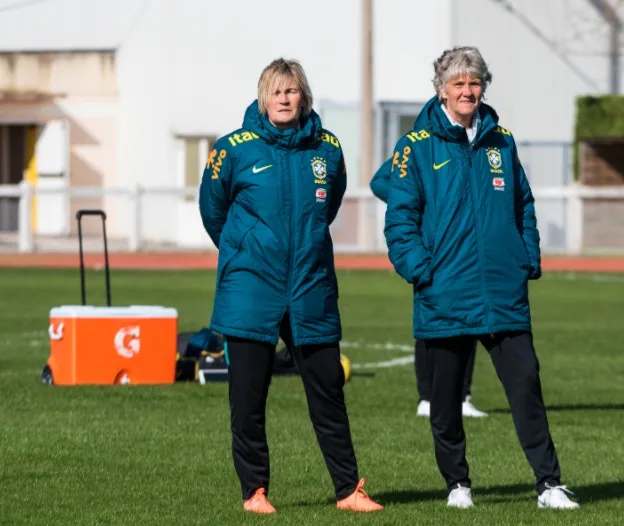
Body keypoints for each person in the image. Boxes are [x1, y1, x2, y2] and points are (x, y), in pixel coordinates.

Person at [383, 46, 579, 510]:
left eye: (474, 83)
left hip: (502, 290)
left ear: (482, 87)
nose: (467, 91)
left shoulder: (501, 142)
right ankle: (458, 486)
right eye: (458, 83)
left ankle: (549, 485)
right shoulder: (415, 146)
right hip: (444, 291)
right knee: (445, 399)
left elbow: (523, 205)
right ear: (441, 90)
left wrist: (525, 257)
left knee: (526, 383)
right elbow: (400, 220)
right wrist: (421, 271)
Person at [199, 58, 382, 514]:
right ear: (263, 97)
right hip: (251, 289)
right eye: (276, 91)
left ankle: (347, 491)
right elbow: (213, 210)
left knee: (328, 393)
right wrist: (244, 251)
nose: (284, 98)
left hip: (310, 286)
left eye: (292, 90)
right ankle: (254, 491)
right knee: (248, 399)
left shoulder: (328, 148)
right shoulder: (234, 148)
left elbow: (330, 203)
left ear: (304, 96)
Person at [371, 157, 487, 419]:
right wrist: (419, 202)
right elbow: (379, 181)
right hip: (434, 250)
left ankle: (462, 397)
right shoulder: (419, 146)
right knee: (430, 321)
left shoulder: (475, 145)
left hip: (469, 249)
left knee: (471, 322)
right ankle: (426, 398)